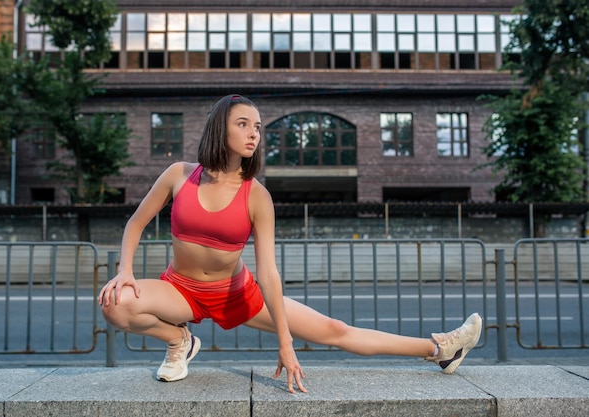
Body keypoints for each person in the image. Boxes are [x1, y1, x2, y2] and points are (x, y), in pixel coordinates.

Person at [98, 94, 483, 393]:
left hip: (237, 294)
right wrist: (125, 271)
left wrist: (285, 342)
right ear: (220, 129)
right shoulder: (178, 175)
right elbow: (135, 222)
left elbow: (268, 271)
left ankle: (439, 349)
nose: (254, 133)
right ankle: (179, 339)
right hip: (180, 290)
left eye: (259, 127)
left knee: (335, 330)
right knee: (116, 304)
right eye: (243, 124)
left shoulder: (256, 196)